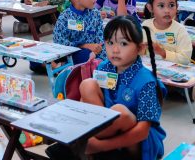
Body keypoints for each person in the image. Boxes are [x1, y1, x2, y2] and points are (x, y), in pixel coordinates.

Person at [49, 17, 166, 160]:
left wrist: (99, 146)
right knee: (88, 85)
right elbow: (85, 103)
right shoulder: (104, 67)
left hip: (137, 144)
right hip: (106, 130)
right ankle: (87, 142)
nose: (115, 50)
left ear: (140, 48)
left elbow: (142, 132)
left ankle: (86, 145)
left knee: (120, 111)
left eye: (123, 43)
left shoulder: (147, 82)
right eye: (110, 43)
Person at [53, 0, 104, 65]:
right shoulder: (65, 17)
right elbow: (59, 42)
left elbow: (101, 38)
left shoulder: (95, 14)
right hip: (71, 54)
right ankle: (61, 65)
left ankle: (61, 67)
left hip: (92, 54)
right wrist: (83, 46)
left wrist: (97, 49)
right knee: (35, 61)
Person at [143, 0, 192, 64]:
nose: (167, 11)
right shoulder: (146, 26)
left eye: (171, 5)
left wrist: (162, 52)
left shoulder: (180, 30)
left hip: (174, 72)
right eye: (161, 6)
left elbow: (185, 59)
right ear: (150, 8)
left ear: (177, 7)